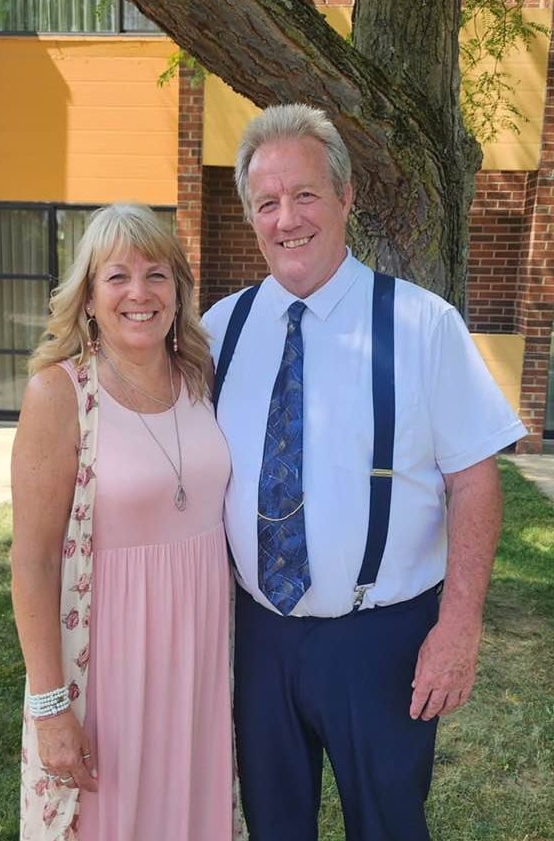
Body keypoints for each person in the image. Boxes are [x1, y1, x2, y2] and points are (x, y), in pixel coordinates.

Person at [202, 104, 527, 841]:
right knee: (274, 825)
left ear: (346, 197)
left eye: (305, 194)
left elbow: (474, 480)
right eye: (267, 202)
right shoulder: (219, 331)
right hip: (260, 636)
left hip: (382, 640)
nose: (287, 219)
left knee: (388, 826)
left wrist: (459, 625)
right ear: (251, 215)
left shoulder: (422, 324)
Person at [11, 203, 232, 841]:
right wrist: (51, 708)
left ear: (178, 291)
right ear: (87, 298)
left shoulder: (200, 379)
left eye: (156, 274)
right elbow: (32, 561)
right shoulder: (59, 394)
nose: (140, 293)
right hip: (108, 670)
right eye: (117, 276)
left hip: (200, 662)